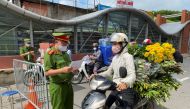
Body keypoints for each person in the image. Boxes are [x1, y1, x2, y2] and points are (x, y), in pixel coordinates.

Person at [91, 33, 136, 108]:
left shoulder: (128, 57)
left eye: (116, 44)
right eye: (113, 44)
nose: (113, 47)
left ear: (123, 44)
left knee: (127, 107)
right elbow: (109, 72)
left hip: (126, 88)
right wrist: (97, 75)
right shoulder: (115, 58)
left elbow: (132, 75)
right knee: (105, 105)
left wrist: (125, 83)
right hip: (116, 86)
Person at [44, 33, 78, 109]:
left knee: (69, 107)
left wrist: (73, 70)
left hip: (68, 85)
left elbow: (69, 67)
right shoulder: (50, 54)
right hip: (58, 87)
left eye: (67, 42)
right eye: (64, 42)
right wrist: (62, 70)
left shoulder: (65, 54)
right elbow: (47, 72)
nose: (66, 44)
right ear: (57, 41)